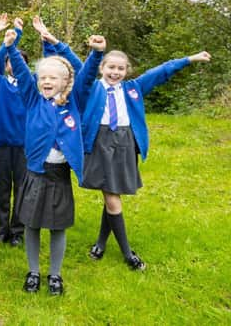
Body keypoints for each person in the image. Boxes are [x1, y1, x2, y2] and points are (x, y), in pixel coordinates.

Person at [82, 49, 211, 271]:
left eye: (120, 68)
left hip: (124, 143)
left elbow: (161, 71)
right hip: (100, 143)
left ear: (127, 71)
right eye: (111, 67)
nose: (115, 72)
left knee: (113, 194)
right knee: (112, 196)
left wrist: (190, 59)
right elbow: (77, 68)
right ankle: (127, 253)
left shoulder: (133, 88)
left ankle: (100, 244)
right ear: (102, 68)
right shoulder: (91, 87)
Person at [7, 18, 105, 296]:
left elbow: (87, 77)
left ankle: (55, 275)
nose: (47, 81)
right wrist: (13, 49)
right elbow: (24, 74)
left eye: (53, 78)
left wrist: (96, 53)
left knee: (57, 227)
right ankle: (34, 272)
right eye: (43, 78)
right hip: (35, 174)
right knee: (32, 224)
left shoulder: (75, 101)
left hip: (59, 176)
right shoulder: (32, 99)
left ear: (65, 82)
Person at [0, 15, 29, 246]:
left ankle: (18, 231)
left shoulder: (30, 86)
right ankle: (2, 229)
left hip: (23, 146)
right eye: (11, 61)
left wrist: (18, 36)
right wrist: (10, 38)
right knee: (3, 189)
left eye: (19, 63)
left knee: (21, 189)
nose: (14, 65)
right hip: (2, 144)